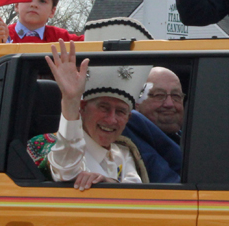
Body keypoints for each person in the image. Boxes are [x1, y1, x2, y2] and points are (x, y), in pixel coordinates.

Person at [28, 39, 150, 190]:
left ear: (128, 118)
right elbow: (65, 172)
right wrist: (71, 100)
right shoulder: (49, 144)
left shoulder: (124, 152)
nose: (112, 119)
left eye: (120, 112)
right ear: (82, 108)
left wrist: (109, 182)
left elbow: (137, 194)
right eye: (104, 108)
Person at [137, 67, 185, 144]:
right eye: (159, 95)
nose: (169, 104)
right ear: (137, 102)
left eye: (176, 95)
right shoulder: (126, 150)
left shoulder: (193, 142)